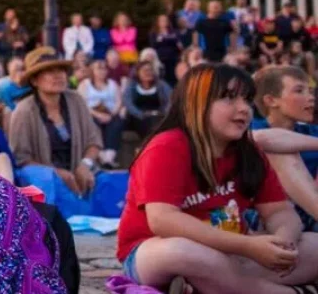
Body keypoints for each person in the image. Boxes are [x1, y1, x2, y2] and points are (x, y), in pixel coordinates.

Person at [116, 63, 318, 294]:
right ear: (196, 103)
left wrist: (282, 242)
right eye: (229, 99)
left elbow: (279, 211)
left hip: (234, 254)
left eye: (247, 99)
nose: (244, 108)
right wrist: (248, 246)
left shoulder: (249, 152)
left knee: (314, 244)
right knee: (184, 253)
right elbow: (163, 221)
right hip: (156, 250)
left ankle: (204, 285)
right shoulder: (166, 146)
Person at [8, 47, 104, 216]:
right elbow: (21, 159)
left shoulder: (76, 100)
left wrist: (84, 165)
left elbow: (94, 141)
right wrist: (57, 173)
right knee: (44, 178)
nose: (58, 75)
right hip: (45, 183)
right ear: (35, 80)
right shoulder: (23, 111)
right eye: (49, 71)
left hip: (79, 176)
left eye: (60, 70)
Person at [251, 66, 318, 232]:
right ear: (271, 100)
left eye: (310, 91)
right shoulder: (253, 129)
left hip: (308, 218)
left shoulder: (311, 132)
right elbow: (263, 139)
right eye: (299, 91)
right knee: (281, 151)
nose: (310, 97)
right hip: (267, 218)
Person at [78, 60, 123, 169]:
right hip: (91, 113)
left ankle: (109, 157)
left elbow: (119, 101)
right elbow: (82, 104)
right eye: (99, 68)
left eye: (104, 68)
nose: (102, 71)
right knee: (93, 124)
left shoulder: (113, 83)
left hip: (110, 113)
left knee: (116, 123)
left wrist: (111, 114)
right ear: (92, 70)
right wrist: (98, 115)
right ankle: (101, 156)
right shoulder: (85, 84)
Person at [123, 61, 172, 141]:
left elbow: (171, 99)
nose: (148, 73)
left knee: (157, 121)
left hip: (158, 115)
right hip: (138, 116)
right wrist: (141, 114)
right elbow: (128, 103)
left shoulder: (161, 85)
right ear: (138, 73)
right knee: (147, 123)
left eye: (150, 70)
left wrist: (164, 112)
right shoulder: (132, 86)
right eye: (145, 70)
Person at [150, 14, 183, 86]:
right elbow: (154, 45)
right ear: (157, 22)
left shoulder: (175, 32)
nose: (164, 22)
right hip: (160, 59)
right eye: (161, 20)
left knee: (173, 78)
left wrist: (163, 40)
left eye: (165, 20)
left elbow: (179, 45)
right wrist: (170, 40)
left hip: (173, 59)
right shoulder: (154, 33)